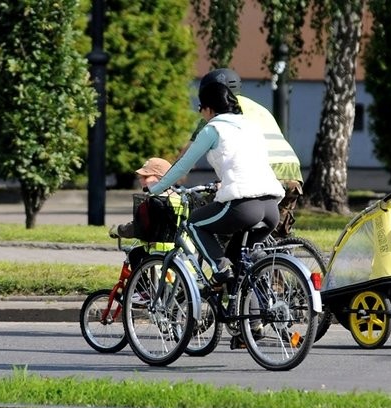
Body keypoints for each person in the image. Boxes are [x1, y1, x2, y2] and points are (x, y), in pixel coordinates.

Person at [149, 81, 285, 287]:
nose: (200, 113)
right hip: (271, 208)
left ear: (209, 108)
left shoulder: (213, 129)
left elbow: (182, 166)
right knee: (239, 265)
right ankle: (247, 316)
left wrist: (155, 189)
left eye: (200, 108)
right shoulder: (251, 126)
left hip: (244, 206)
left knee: (193, 224)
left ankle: (219, 269)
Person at [179, 68, 303, 238]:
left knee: (222, 217)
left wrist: (166, 180)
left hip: (263, 173)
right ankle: (279, 263)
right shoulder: (258, 107)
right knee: (274, 238)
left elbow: (187, 157)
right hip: (292, 173)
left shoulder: (219, 111)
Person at [108, 157, 175, 270]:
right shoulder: (180, 199)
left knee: (135, 255)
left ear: (160, 178)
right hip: (180, 252)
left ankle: (140, 287)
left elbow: (138, 227)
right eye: (140, 177)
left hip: (156, 251)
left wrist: (118, 230)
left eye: (145, 176)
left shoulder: (152, 203)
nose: (140, 179)